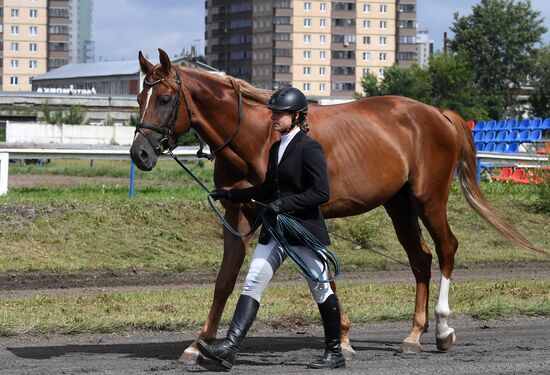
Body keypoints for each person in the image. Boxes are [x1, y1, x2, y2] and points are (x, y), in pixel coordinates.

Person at [197, 87, 345, 370]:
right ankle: (230, 347)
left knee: (321, 288)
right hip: (276, 231)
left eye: (280, 114)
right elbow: (268, 189)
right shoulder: (276, 147)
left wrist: (285, 204)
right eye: (274, 112)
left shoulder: (309, 148)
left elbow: (321, 193)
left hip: (302, 231)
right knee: (253, 281)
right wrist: (231, 194)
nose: (274, 117)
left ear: (297, 116)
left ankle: (334, 351)